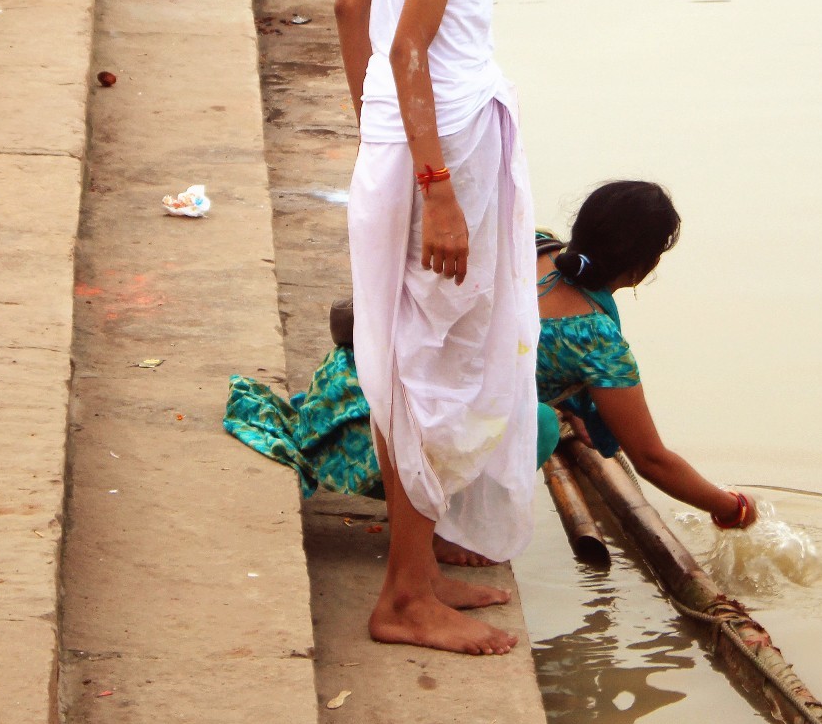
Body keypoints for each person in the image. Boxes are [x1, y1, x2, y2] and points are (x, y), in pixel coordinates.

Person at [333, 0, 610, 653]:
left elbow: (350, 9)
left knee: (414, 354)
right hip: (439, 155)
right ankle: (405, 599)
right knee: (434, 364)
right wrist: (437, 190)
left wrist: (380, 133)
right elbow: (408, 48)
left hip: (410, 141)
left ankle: (418, 571)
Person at [226, 181, 759, 551]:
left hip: (349, 387)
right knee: (540, 424)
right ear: (643, 267)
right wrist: (727, 504)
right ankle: (446, 531)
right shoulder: (595, 339)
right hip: (387, 448)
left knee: (527, 405)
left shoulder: (528, 242)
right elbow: (652, 459)